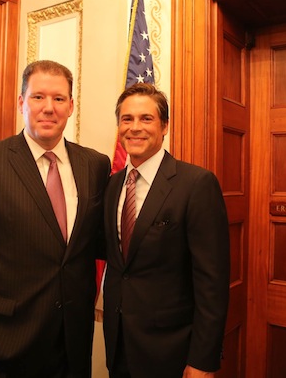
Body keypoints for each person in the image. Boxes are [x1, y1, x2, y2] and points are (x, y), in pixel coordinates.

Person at [0, 60, 111, 378]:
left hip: (71, 343)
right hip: (0, 344)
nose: (49, 107)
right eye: (38, 97)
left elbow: (96, 243)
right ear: (21, 102)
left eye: (59, 98)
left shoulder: (95, 165)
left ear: (71, 106)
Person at [103, 83, 230, 378]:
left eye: (146, 118)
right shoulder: (111, 186)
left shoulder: (196, 184)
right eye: (127, 119)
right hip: (119, 345)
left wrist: (203, 360)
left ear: (165, 126)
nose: (135, 127)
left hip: (172, 351)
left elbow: (212, 283)